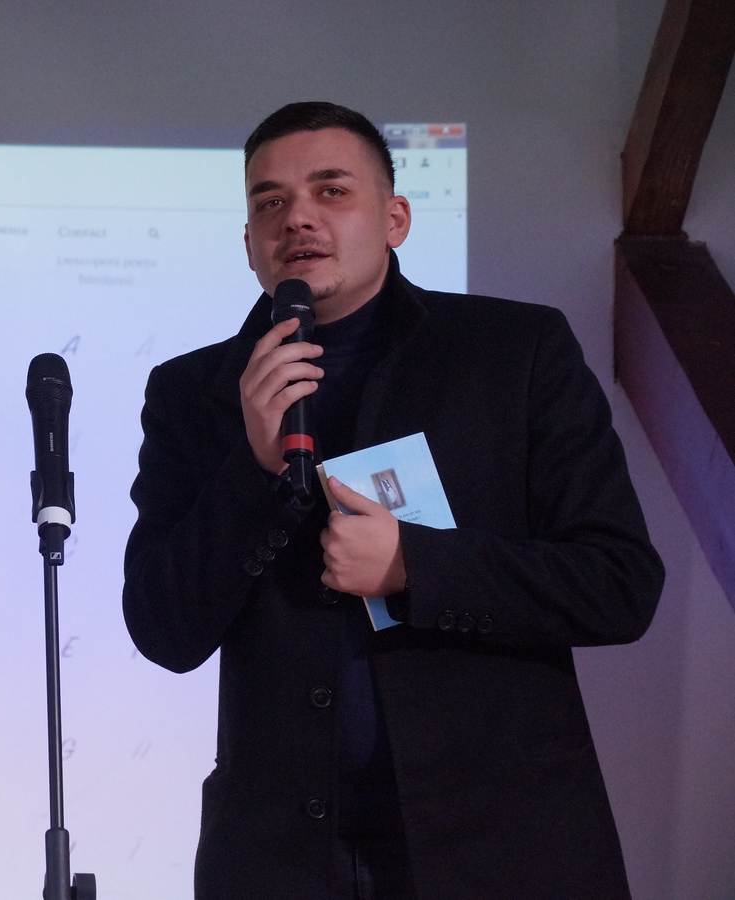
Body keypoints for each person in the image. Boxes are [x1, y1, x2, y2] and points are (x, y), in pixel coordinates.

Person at [122, 102, 663, 898]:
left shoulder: (513, 353)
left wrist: (415, 565)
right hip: (281, 861)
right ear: (248, 244)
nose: (296, 218)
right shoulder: (192, 392)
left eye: (330, 191)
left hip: (496, 848)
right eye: (269, 203)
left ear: (395, 219)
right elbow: (162, 629)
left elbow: (619, 585)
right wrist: (251, 470)